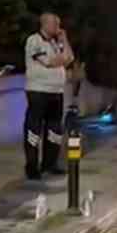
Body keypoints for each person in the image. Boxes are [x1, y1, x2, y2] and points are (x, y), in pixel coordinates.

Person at [24, 13, 75, 180]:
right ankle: (32, 167)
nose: (58, 28)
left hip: (56, 92)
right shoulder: (34, 40)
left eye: (59, 24)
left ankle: (50, 163)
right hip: (38, 91)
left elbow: (70, 58)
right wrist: (62, 59)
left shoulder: (56, 42)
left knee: (54, 130)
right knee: (34, 129)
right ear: (45, 24)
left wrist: (64, 39)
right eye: (55, 24)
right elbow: (48, 62)